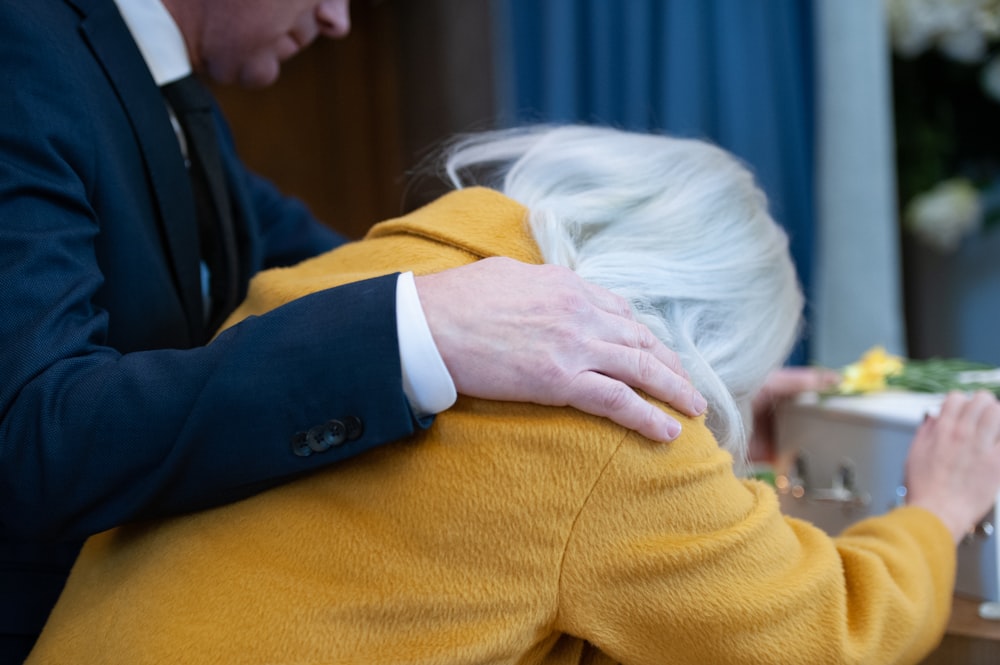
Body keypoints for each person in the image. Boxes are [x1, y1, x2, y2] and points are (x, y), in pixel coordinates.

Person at [27, 125, 1000, 665]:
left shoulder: (362, 284)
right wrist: (936, 510)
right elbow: (827, 628)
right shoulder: (598, 424)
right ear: (691, 337)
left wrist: (732, 406)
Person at [0, 1, 705, 660]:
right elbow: (35, 433)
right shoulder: (22, 48)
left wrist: (687, 363)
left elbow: (334, 259)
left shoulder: (173, 95)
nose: (339, 18)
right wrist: (415, 328)